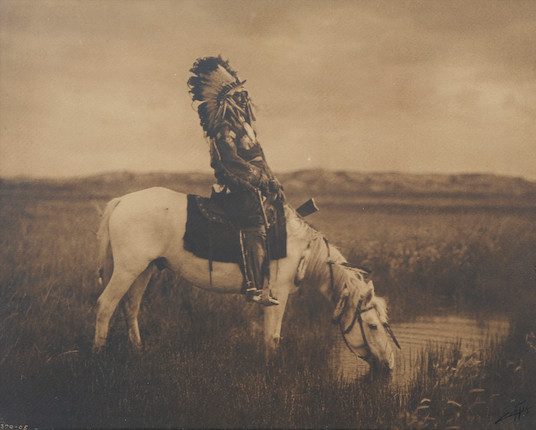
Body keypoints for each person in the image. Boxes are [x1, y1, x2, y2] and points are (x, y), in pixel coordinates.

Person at [188, 56, 284, 306]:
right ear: (227, 100)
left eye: (244, 94)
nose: (244, 98)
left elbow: (258, 158)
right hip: (236, 189)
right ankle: (255, 286)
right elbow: (230, 162)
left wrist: (272, 181)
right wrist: (259, 179)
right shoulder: (223, 128)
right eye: (238, 95)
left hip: (256, 185)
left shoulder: (245, 126)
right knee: (255, 224)